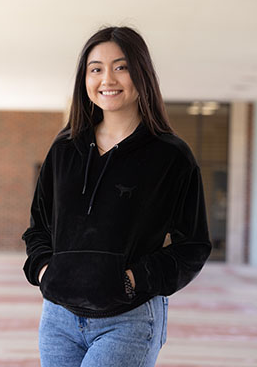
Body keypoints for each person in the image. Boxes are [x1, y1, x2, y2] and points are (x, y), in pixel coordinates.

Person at [22, 26, 212, 366]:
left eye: (120, 67)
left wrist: (131, 280)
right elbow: (39, 227)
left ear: (141, 75)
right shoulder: (64, 149)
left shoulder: (170, 156)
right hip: (58, 320)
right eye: (96, 69)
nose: (107, 78)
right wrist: (45, 272)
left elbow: (193, 245)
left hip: (129, 318)